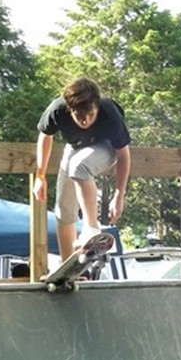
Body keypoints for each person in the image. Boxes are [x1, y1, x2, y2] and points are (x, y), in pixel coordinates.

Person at [33, 77, 131, 261]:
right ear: (69, 109)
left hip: (106, 147)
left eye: (91, 115)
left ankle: (91, 229)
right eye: (79, 117)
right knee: (63, 210)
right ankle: (68, 264)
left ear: (97, 106)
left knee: (79, 166)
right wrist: (40, 176)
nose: (85, 121)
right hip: (75, 147)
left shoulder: (109, 112)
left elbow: (124, 154)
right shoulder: (57, 109)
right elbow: (45, 137)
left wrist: (119, 194)